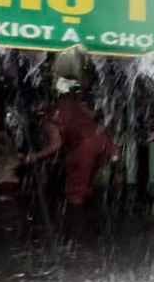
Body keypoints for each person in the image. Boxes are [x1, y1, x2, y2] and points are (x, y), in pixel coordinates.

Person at [20, 73, 119, 206]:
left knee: (75, 188)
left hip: (84, 146)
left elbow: (56, 144)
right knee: (89, 180)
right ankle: (92, 208)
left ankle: (76, 213)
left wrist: (35, 156)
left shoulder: (49, 118)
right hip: (102, 140)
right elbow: (97, 119)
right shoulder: (74, 104)